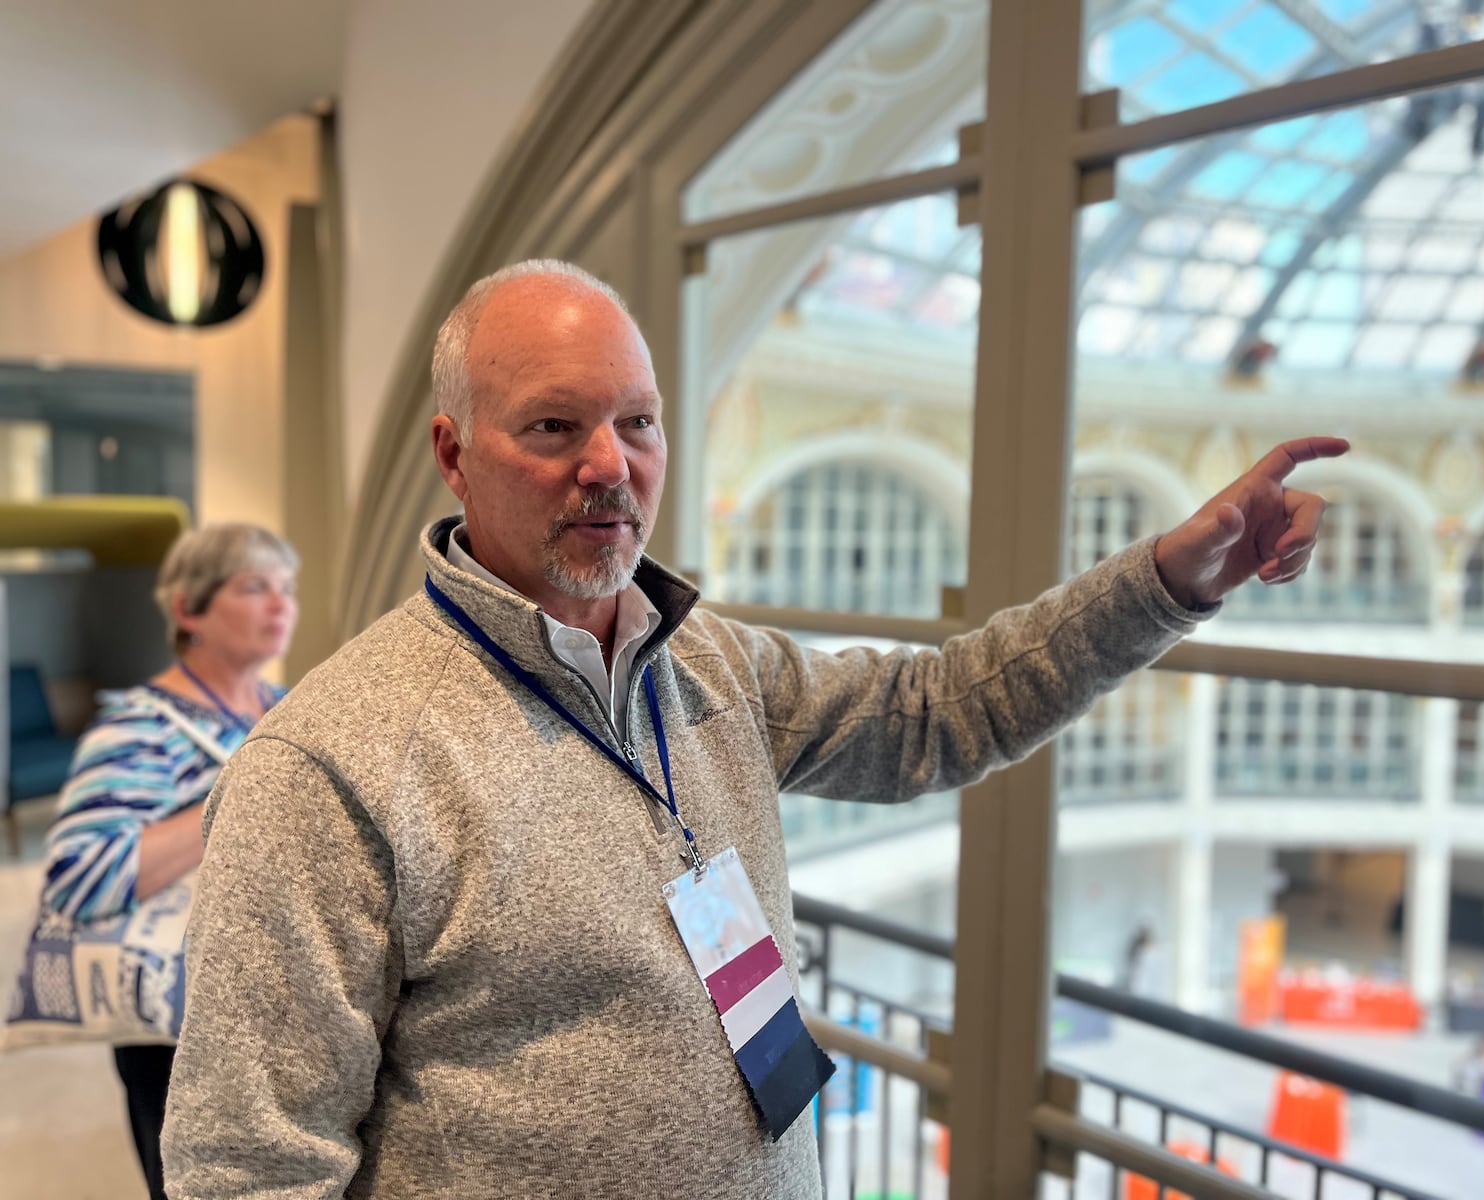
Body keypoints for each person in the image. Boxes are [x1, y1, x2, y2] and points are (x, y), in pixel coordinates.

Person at [163, 260, 1346, 1199]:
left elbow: (943, 710)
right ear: (453, 454)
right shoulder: (332, 763)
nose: (608, 467)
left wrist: (1168, 582)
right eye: (552, 427)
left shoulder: (708, 663)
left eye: (638, 422)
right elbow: (247, 1164)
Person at [42, 523, 299, 1200]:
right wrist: (235, 796)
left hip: (284, 1006)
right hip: (178, 1026)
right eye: (254, 588)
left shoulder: (288, 708)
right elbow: (81, 878)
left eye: (287, 589)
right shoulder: (138, 725)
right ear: (188, 610)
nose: (282, 607)